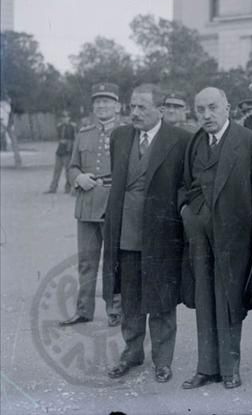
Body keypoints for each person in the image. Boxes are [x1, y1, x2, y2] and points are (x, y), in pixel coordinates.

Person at [178, 87, 252, 390]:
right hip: (199, 233)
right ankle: (207, 368)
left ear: (227, 108)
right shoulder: (195, 141)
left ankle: (230, 368)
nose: (207, 115)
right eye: (201, 109)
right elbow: (185, 183)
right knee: (203, 297)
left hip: (235, 234)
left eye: (213, 108)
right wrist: (186, 211)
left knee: (229, 300)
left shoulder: (250, 141)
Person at [104, 83, 190, 383]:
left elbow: (186, 187)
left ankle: (163, 360)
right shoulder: (120, 136)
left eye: (142, 107)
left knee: (163, 299)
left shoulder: (180, 139)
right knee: (130, 297)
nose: (134, 113)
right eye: (132, 106)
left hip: (162, 233)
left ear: (160, 110)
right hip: (126, 231)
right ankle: (132, 352)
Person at [60, 83, 123, 327]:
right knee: (86, 261)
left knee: (113, 261)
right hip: (86, 206)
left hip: (113, 203)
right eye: (98, 102)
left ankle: (115, 310)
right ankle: (83, 310)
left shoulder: (126, 132)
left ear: (117, 106)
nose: (102, 106)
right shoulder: (83, 134)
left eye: (107, 101)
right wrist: (78, 177)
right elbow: (72, 166)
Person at [45, 110, 77, 194]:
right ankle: (53, 188)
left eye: (66, 117)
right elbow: (58, 138)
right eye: (63, 117)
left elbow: (74, 139)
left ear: (69, 118)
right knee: (56, 170)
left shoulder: (72, 127)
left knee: (68, 171)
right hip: (59, 151)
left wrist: (71, 149)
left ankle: (68, 188)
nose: (64, 119)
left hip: (68, 151)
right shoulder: (59, 126)